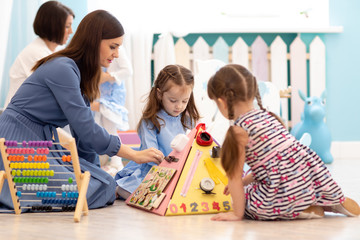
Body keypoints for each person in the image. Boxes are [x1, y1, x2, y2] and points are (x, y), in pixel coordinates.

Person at [0, 10, 163, 211]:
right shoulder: (63, 68)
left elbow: (84, 138)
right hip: (17, 140)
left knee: (104, 183)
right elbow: (87, 129)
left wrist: (95, 171)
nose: (117, 54)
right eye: (113, 46)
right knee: (94, 187)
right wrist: (133, 154)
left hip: (40, 142)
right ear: (94, 42)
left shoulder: (80, 74)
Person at [207, 64, 360, 221]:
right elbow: (272, 162)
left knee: (248, 201)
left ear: (222, 102)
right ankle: (331, 201)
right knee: (260, 184)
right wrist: (245, 181)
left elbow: (234, 177)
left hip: (286, 189)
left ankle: (299, 209)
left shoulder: (238, 131)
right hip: (309, 179)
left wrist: (237, 213)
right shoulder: (268, 116)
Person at [114, 64, 200, 199]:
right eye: (173, 100)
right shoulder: (150, 121)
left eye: (184, 101)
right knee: (145, 196)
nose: (179, 106)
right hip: (153, 169)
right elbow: (151, 155)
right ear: (160, 94)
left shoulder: (187, 120)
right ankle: (121, 189)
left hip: (178, 170)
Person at [4, 1, 75, 108]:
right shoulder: (36, 53)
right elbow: (61, 92)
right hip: (19, 119)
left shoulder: (56, 51)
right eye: (67, 26)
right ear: (53, 26)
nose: (71, 31)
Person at [90, 47, 133, 174]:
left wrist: (109, 77)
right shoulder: (94, 48)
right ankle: (110, 161)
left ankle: (116, 163)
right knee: (99, 125)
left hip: (112, 93)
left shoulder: (118, 50)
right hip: (99, 92)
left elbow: (128, 71)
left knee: (110, 126)